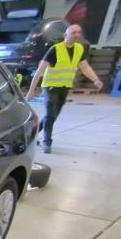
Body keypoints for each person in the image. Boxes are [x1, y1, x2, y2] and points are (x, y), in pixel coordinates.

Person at [25, 24, 103, 153]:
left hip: (65, 87)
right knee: (50, 115)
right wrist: (31, 91)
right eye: (73, 32)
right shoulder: (55, 50)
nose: (76, 35)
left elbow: (85, 67)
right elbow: (39, 71)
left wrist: (95, 79)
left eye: (78, 32)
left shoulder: (79, 49)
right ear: (66, 35)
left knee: (53, 116)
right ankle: (47, 142)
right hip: (51, 87)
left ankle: (30, 134)